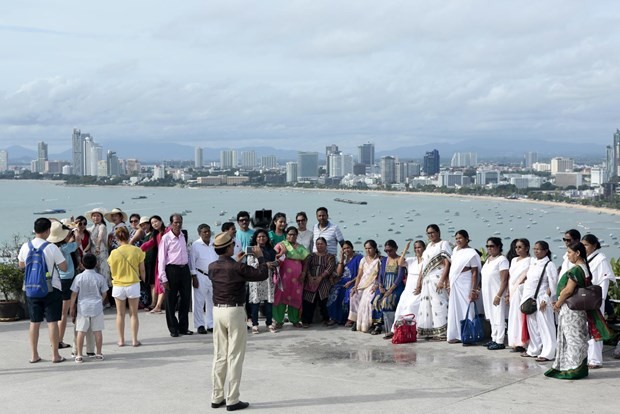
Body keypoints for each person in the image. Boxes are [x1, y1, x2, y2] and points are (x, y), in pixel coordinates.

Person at [208, 232, 271, 411]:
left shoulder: (212, 266)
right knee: (234, 356)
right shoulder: (237, 268)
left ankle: (216, 396)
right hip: (235, 311)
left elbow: (226, 271)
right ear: (229, 247)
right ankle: (232, 399)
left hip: (217, 310)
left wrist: (235, 261)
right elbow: (261, 274)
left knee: (220, 355)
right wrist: (260, 257)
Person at [545, 242, 612, 379]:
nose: (568, 255)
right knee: (577, 338)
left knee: (572, 339)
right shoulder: (584, 268)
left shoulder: (576, 270)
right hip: (577, 310)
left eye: (569, 252)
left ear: (578, 253)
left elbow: (568, 290)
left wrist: (558, 303)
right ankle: (577, 367)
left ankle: (573, 369)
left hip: (571, 311)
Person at [18, 217, 68, 363]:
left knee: (34, 322)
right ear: (47, 231)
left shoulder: (25, 246)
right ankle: (55, 355)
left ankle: (34, 355)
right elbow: (63, 267)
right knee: (52, 322)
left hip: (31, 289)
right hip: (51, 288)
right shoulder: (52, 247)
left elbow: (21, 265)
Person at [107, 226, 145, 347]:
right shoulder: (137, 250)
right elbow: (142, 270)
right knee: (134, 314)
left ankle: (121, 340)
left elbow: (111, 270)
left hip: (118, 285)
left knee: (120, 314)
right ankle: (134, 340)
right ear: (129, 236)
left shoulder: (114, 253)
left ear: (117, 239)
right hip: (133, 283)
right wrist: (143, 280)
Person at [581, 234, 615, 368]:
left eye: (586, 245)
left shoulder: (600, 260)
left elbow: (604, 281)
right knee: (585, 329)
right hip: (584, 299)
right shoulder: (585, 259)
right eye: (582, 245)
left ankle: (595, 359)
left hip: (595, 300)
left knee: (595, 329)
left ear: (594, 245)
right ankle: (587, 357)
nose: (584, 248)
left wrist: (599, 300)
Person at [521, 241, 558, 361]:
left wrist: (546, 299)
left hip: (542, 299)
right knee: (533, 326)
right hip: (530, 298)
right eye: (535, 249)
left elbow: (552, 284)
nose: (536, 251)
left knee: (546, 326)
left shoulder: (549, 265)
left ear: (546, 251)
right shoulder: (533, 262)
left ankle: (548, 352)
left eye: (539, 249)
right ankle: (534, 349)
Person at [159, 214, 193, 337]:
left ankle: (184, 327)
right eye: (175, 222)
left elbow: (188, 254)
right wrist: (163, 277)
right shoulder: (166, 238)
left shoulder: (184, 236)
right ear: (171, 223)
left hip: (184, 269)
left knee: (185, 299)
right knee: (170, 301)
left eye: (180, 222)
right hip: (171, 270)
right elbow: (161, 259)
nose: (178, 225)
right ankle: (173, 328)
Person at [69, 253, 108, 362]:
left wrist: (72, 307)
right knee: (97, 331)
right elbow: (105, 292)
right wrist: (100, 299)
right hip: (97, 307)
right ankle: (99, 353)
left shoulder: (79, 277)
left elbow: (74, 294)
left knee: (81, 331)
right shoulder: (100, 277)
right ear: (96, 264)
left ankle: (79, 355)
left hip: (83, 307)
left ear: (82, 264)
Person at [447, 230, 482, 344]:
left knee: (467, 306)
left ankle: (470, 334)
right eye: (456, 238)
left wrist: (473, 289)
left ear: (467, 239)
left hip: (465, 281)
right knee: (455, 308)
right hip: (455, 282)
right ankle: (457, 334)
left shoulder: (471, 253)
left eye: (460, 238)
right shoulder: (455, 250)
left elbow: (475, 272)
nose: (458, 240)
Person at [48, 220, 78, 350]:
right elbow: (77, 243)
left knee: (57, 312)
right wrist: (75, 231)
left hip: (56, 280)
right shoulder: (66, 247)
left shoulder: (52, 248)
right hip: (66, 280)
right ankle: (59, 340)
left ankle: (55, 339)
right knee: (63, 313)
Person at [417, 224, 451, 340]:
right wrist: (420, 281)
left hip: (437, 278)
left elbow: (447, 263)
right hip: (427, 280)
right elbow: (424, 264)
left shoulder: (443, 244)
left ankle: (443, 332)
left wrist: (442, 280)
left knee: (439, 303)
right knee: (428, 305)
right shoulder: (429, 246)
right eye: (428, 233)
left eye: (432, 232)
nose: (431, 235)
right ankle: (432, 331)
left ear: (438, 232)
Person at [273, 227, 309, 328]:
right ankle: (278, 320)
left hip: (297, 278)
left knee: (295, 297)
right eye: (289, 234)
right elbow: (273, 257)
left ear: (297, 236)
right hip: (283, 276)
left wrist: (304, 273)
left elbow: (306, 261)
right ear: (286, 235)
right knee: (280, 296)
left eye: (294, 234)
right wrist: (282, 253)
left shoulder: (301, 247)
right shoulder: (280, 245)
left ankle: (295, 319)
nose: (291, 236)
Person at [481, 237, 509, 350]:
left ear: (498, 247)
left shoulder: (502, 260)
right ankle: (494, 338)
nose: (489, 248)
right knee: (492, 317)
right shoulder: (488, 259)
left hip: (497, 292)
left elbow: (504, 280)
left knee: (498, 316)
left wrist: (499, 294)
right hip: (487, 293)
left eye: (492, 246)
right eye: (487, 246)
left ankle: (500, 340)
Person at [246, 229, 277, 333]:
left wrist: (274, 264)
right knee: (255, 303)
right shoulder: (251, 250)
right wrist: (264, 265)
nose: (261, 238)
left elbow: (275, 262)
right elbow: (250, 265)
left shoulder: (271, 250)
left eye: (263, 236)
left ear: (267, 238)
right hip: (255, 279)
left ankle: (269, 323)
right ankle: (255, 325)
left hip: (268, 278)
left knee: (268, 303)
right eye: (259, 237)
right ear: (255, 238)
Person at [392, 240, 425, 334]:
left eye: (419, 247)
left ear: (424, 248)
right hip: (408, 289)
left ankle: (411, 329)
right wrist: (405, 249)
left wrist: (420, 286)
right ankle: (397, 329)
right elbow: (400, 263)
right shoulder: (412, 260)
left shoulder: (426, 260)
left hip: (418, 289)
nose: (417, 249)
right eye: (415, 248)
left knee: (411, 306)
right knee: (401, 307)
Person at [190, 223, 218, 334]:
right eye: (204, 232)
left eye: (208, 231)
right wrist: (194, 276)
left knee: (212, 301)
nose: (207, 234)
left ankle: (211, 324)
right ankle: (200, 324)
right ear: (199, 233)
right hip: (200, 275)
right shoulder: (195, 245)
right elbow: (192, 261)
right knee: (198, 301)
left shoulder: (214, 244)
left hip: (213, 276)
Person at [302, 237, 336, 328]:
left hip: (324, 281)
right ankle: (306, 321)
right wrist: (309, 277)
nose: (319, 246)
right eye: (318, 244)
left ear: (325, 245)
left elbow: (330, 267)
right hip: (311, 280)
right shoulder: (311, 256)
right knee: (308, 300)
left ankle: (327, 319)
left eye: (321, 244)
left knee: (324, 300)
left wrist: (320, 277)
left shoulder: (330, 256)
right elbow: (306, 267)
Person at [374, 239, 406, 338]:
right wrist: (380, 286)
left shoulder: (400, 260)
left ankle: (392, 329)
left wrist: (390, 290)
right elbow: (380, 275)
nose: (388, 252)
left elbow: (400, 276)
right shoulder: (384, 260)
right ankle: (377, 325)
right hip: (384, 286)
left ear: (396, 248)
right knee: (375, 300)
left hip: (396, 287)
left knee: (387, 301)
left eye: (390, 250)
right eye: (386, 251)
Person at [348, 240, 381, 333]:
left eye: (370, 248)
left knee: (368, 299)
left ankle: (369, 323)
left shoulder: (379, 260)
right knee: (354, 296)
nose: (368, 250)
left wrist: (377, 285)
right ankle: (356, 320)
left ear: (375, 248)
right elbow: (359, 275)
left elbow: (380, 275)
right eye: (366, 248)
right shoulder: (363, 260)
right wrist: (355, 286)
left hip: (373, 283)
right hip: (362, 284)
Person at [329, 240, 362, 326]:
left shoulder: (359, 258)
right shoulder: (344, 259)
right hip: (343, 281)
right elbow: (339, 273)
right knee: (335, 292)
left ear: (352, 248)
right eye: (344, 249)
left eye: (348, 248)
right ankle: (334, 317)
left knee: (348, 294)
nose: (346, 250)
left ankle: (349, 319)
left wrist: (351, 282)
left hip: (355, 281)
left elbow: (360, 274)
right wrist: (341, 259)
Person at [506, 238, 531, 353]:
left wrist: (518, 286)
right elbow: (510, 276)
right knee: (513, 316)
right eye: (516, 247)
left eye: (520, 247)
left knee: (520, 316)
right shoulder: (514, 260)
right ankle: (514, 342)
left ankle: (522, 342)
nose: (517, 249)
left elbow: (526, 276)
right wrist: (508, 292)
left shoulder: (530, 260)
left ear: (526, 248)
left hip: (521, 291)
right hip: (512, 290)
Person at [85, 208, 111, 302]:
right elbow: (83, 230)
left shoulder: (102, 226)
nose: (96, 217)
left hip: (102, 252)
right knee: (96, 276)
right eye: (94, 216)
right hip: (94, 254)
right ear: (91, 218)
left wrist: (97, 246)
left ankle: (105, 300)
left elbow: (100, 236)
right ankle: (103, 300)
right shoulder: (92, 227)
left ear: (101, 217)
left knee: (103, 275)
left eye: (98, 216)